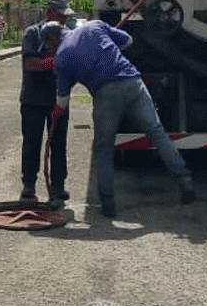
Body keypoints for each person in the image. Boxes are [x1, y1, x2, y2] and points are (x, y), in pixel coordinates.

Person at [52, 19, 195, 218]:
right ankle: (185, 181)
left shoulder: (61, 57)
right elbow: (127, 40)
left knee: (104, 149)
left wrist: (57, 111)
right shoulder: (94, 26)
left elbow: (62, 99)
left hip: (105, 93)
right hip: (133, 83)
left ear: (52, 40)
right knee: (157, 133)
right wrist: (110, 50)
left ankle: (108, 204)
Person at [17, 0, 75, 207]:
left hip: (58, 100)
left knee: (59, 145)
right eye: (61, 16)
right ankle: (29, 186)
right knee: (31, 143)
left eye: (66, 17)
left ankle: (58, 187)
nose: (64, 21)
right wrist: (55, 61)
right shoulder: (32, 34)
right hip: (33, 99)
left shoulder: (68, 36)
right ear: (50, 13)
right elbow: (30, 63)